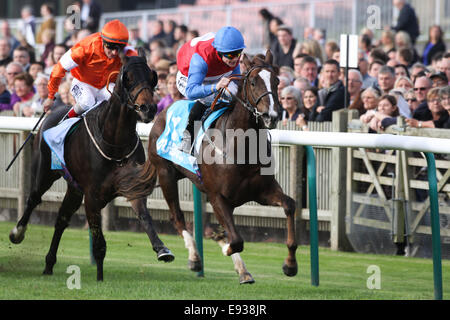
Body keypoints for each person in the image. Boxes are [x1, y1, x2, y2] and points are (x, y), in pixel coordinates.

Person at [43, 19, 138, 118]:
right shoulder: (84, 48)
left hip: (106, 85)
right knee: (87, 101)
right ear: (103, 42)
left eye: (119, 48)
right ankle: (65, 120)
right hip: (83, 82)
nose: (114, 53)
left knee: (118, 99)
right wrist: (50, 97)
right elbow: (59, 68)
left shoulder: (129, 52)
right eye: (111, 47)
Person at [176, 26, 245, 153]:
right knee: (207, 99)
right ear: (219, 51)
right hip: (188, 78)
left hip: (214, 74)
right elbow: (191, 92)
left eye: (238, 53)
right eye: (231, 55)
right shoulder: (201, 59)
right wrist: (215, 87)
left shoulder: (231, 53)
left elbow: (236, 81)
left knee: (234, 95)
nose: (235, 59)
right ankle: (188, 137)